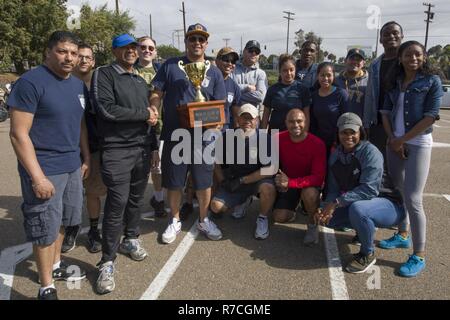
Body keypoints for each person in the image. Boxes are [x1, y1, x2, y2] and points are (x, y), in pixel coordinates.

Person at [8, 31, 89, 300]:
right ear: (48, 51)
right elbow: (18, 134)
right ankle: (46, 287)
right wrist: (37, 177)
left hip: (71, 165)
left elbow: (78, 125)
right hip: (45, 168)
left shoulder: (76, 85)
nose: (69, 57)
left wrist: (85, 157)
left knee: (64, 221)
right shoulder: (31, 83)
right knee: (44, 227)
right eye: (63, 51)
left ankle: (55, 266)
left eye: (74, 53)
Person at [91, 33, 159, 294]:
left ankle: (131, 238)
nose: (131, 51)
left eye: (134, 47)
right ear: (114, 50)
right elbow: (106, 109)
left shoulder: (139, 81)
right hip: (117, 150)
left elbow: (150, 120)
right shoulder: (104, 74)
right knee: (117, 203)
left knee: (135, 200)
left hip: (141, 149)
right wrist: (144, 114)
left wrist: (152, 146)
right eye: (125, 47)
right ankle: (107, 261)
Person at [150, 23, 226, 244]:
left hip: (203, 138)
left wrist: (218, 125)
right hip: (176, 134)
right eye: (193, 39)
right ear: (186, 42)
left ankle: (203, 219)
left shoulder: (214, 70)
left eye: (201, 39)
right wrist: (155, 107)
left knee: (203, 182)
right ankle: (174, 220)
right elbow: (157, 92)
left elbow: (220, 104)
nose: (197, 43)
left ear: (206, 43)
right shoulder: (171, 65)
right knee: (174, 182)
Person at [378, 41, 443, 277]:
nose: (413, 58)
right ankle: (403, 235)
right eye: (408, 55)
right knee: (400, 189)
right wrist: (393, 139)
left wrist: (403, 139)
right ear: (401, 58)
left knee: (414, 198)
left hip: (417, 143)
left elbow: (430, 116)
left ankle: (419, 255)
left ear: (424, 57)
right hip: (393, 143)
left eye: (417, 54)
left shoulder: (431, 82)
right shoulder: (395, 82)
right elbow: (384, 113)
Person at [315, 112, 405, 274]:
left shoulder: (370, 152)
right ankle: (362, 230)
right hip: (361, 204)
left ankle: (367, 253)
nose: (348, 136)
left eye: (352, 132)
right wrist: (326, 207)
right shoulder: (336, 155)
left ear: (360, 132)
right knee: (325, 214)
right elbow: (334, 189)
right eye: (344, 132)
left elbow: (370, 190)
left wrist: (336, 203)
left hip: (390, 205)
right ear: (338, 133)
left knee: (359, 209)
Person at [61, 43, 104, 254]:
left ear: (93, 61)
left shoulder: (101, 81)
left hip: (95, 146)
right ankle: (71, 228)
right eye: (81, 56)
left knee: (93, 191)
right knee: (70, 193)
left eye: (88, 57)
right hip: (68, 146)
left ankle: (94, 229)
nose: (84, 60)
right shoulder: (65, 81)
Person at [210, 104, 276, 239]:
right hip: (235, 180)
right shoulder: (227, 137)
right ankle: (243, 201)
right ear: (237, 120)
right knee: (216, 207)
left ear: (257, 120)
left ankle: (262, 218)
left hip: (256, 181)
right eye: (243, 118)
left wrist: (242, 180)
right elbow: (216, 162)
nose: (247, 121)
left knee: (268, 188)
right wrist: (222, 180)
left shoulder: (265, 139)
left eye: (250, 118)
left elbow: (270, 169)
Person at [273, 109, 326, 245]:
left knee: (310, 194)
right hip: (288, 184)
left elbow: (318, 178)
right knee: (279, 217)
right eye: (291, 121)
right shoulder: (277, 138)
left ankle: (312, 224)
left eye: (299, 121)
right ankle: (296, 208)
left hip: (305, 185)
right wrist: (278, 178)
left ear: (306, 122)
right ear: (285, 123)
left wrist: (290, 182)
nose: (295, 125)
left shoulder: (317, 144)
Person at [135, 36, 166, 218]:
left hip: (158, 125)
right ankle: (132, 202)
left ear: (155, 52)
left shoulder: (160, 71)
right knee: (139, 167)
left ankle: (159, 198)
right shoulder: (130, 69)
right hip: (135, 126)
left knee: (157, 167)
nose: (147, 50)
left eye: (151, 48)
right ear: (137, 49)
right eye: (143, 47)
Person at [364, 21, 404, 159]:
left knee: (401, 169)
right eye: (386, 34)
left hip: (402, 125)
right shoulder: (375, 64)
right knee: (380, 165)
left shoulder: (409, 61)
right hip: (379, 124)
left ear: (402, 36)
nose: (391, 36)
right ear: (381, 39)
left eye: (395, 33)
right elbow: (370, 95)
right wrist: (366, 123)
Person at [261, 54, 311, 132]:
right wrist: (262, 136)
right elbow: (265, 115)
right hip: (275, 133)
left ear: (295, 70)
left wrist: (304, 134)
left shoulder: (303, 89)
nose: (289, 73)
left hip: (294, 134)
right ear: (280, 71)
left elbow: (306, 115)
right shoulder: (272, 89)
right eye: (285, 70)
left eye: (291, 70)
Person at [310, 62, 348, 158]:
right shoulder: (313, 96)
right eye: (322, 75)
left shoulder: (341, 94)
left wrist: (339, 141)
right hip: (318, 142)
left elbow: (346, 120)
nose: (325, 78)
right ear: (317, 76)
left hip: (337, 144)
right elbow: (312, 122)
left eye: (329, 75)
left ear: (334, 76)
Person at [231, 40, 268, 117]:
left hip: (252, 119)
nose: (254, 53)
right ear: (244, 51)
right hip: (234, 118)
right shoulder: (232, 68)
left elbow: (260, 97)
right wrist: (246, 87)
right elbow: (228, 89)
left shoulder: (261, 73)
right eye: (251, 50)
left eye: (257, 51)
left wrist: (234, 95)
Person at [335, 48, 368, 120]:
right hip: (338, 124)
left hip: (360, 126)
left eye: (358, 60)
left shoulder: (369, 82)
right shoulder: (336, 80)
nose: (355, 62)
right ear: (345, 61)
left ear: (363, 63)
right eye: (352, 58)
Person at [215, 47, 242, 129]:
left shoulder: (235, 87)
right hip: (206, 130)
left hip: (226, 132)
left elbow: (236, 116)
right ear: (217, 61)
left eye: (233, 61)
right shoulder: (207, 81)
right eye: (226, 60)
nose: (230, 64)